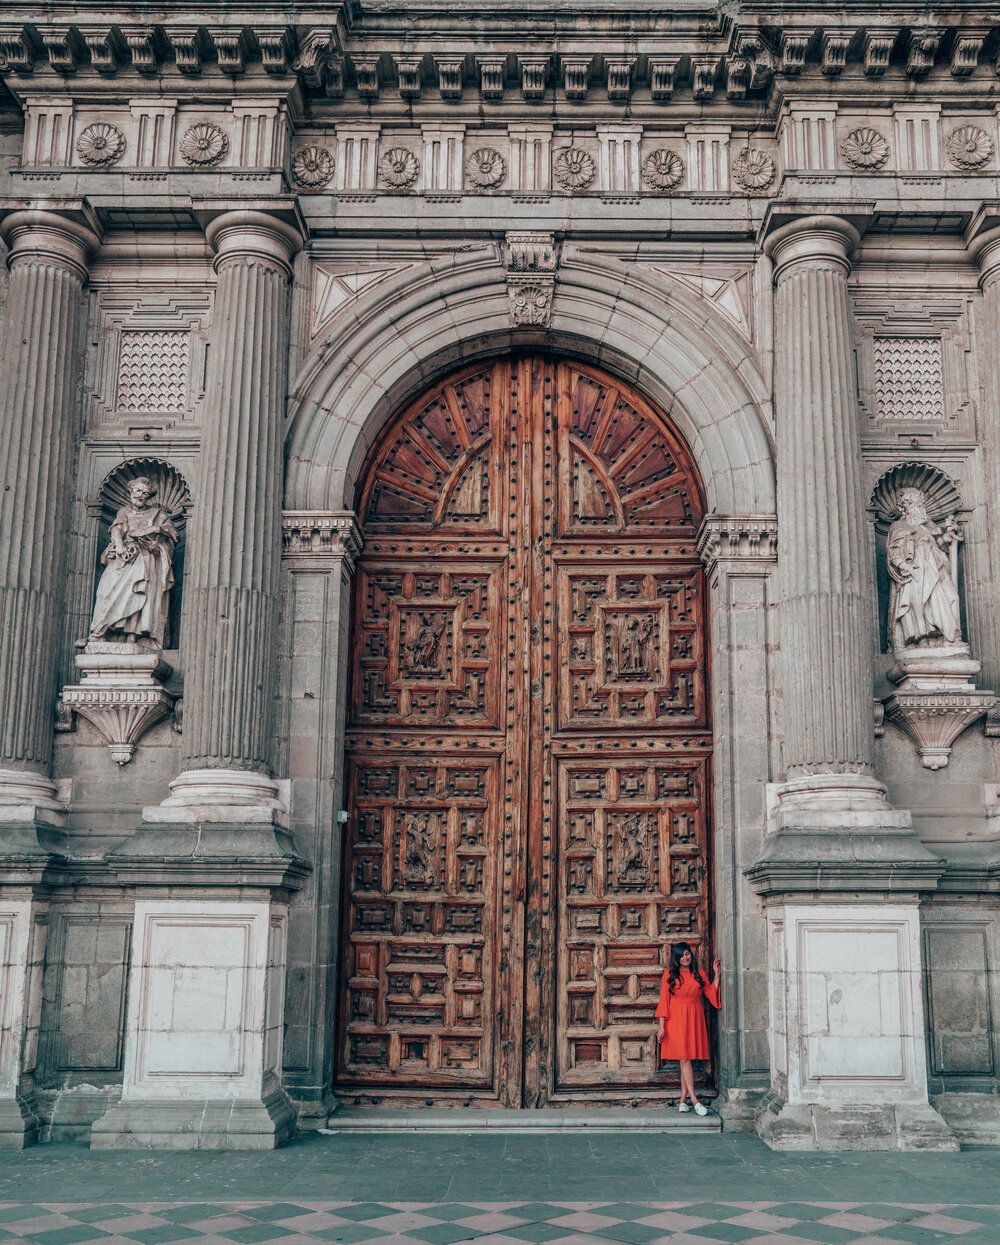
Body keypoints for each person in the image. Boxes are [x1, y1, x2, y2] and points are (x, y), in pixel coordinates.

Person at [88, 477, 178, 646]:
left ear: (149, 496)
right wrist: (120, 545)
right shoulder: (124, 511)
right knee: (106, 591)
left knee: (139, 592)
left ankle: (132, 634)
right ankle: (101, 630)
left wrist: (156, 535)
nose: (140, 495)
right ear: (130, 491)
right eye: (137, 491)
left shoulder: (157, 514)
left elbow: (172, 535)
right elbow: (117, 529)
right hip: (123, 557)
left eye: (144, 493)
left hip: (145, 559)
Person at [886, 487, 962, 651]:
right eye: (916, 504)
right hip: (916, 569)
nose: (921, 508)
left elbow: (939, 545)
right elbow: (894, 551)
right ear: (906, 507)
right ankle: (923, 638)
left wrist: (947, 537)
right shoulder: (899, 526)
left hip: (937, 567)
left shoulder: (928, 525)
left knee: (952, 597)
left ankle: (949, 636)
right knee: (919, 604)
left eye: (921, 504)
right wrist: (904, 566)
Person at [655, 941, 721, 1115]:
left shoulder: (698, 973)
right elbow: (664, 1001)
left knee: (686, 1060)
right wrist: (661, 1027)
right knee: (684, 1059)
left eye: (688, 953)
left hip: (693, 1017)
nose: (686, 956)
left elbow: (711, 994)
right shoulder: (669, 975)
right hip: (675, 1019)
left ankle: (682, 1099)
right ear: (677, 957)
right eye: (683, 954)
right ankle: (695, 1099)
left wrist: (717, 975)